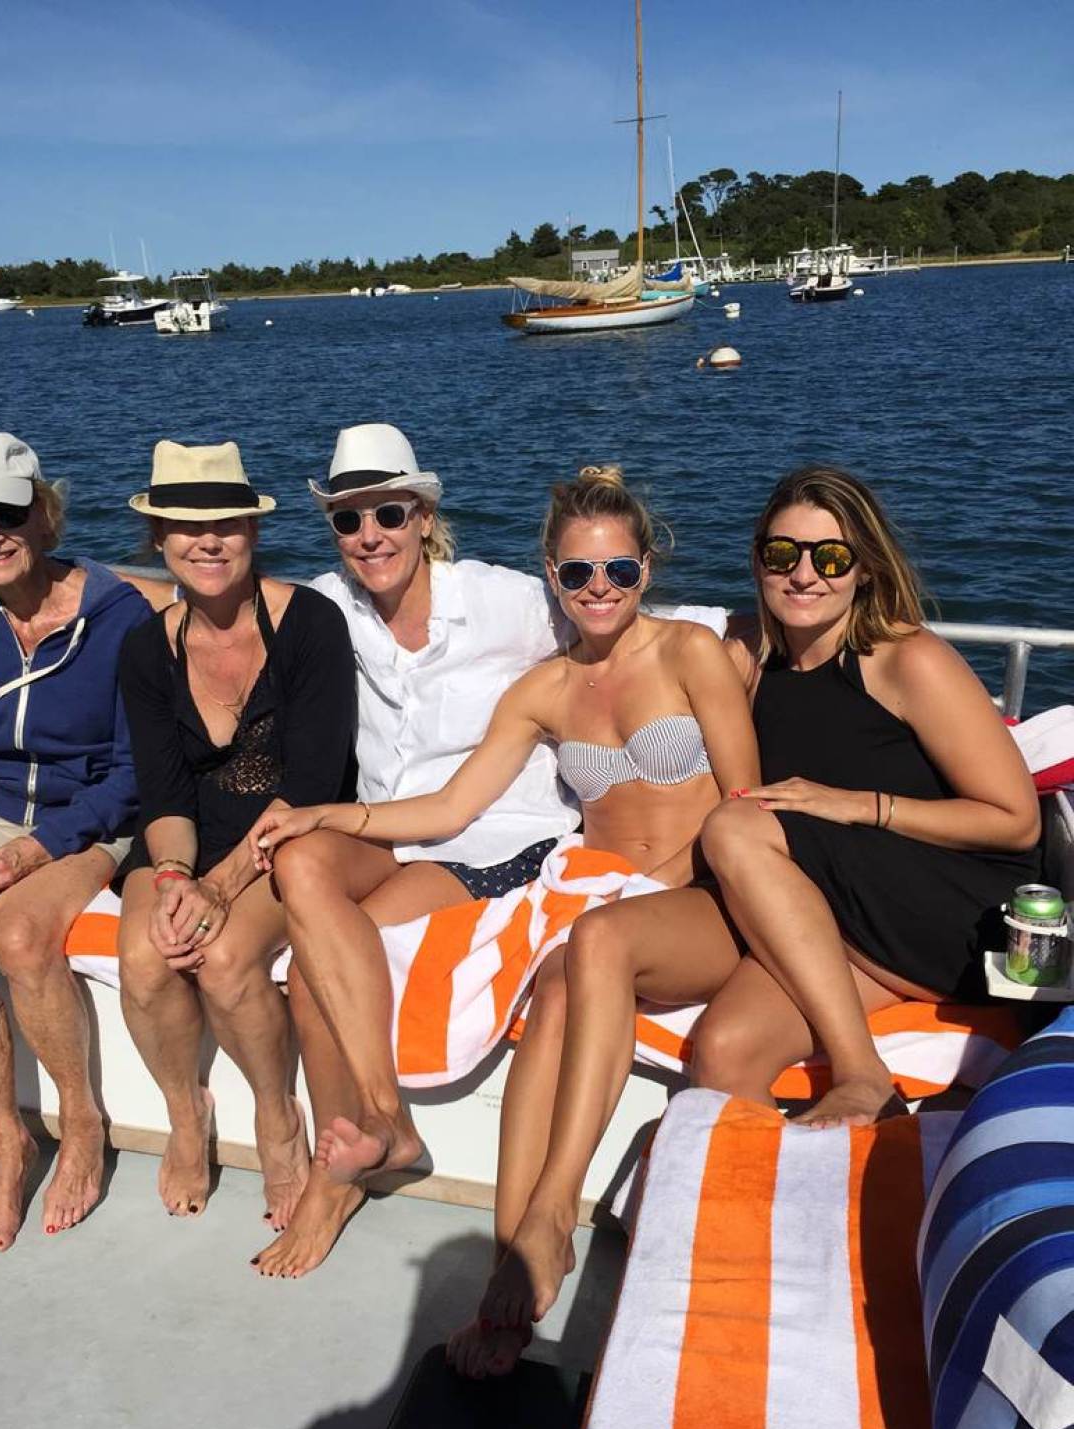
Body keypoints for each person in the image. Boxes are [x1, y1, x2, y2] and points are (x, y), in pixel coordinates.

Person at [472, 463, 1041, 1351]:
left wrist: (856, 804)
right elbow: (652, 662)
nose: (804, 573)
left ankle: (862, 1073)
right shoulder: (749, 655)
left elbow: (1013, 821)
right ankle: (748, 1279)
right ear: (758, 561)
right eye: (782, 553)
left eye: (829, 556)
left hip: (934, 909)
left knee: (737, 827)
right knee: (724, 1048)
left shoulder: (905, 658)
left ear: (865, 565)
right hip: (819, 911)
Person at [247, 461, 759, 1319]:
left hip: (699, 888)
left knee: (585, 956)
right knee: (554, 984)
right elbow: (452, 805)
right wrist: (327, 815)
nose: (600, 588)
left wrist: (668, 880)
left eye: (619, 569)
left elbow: (744, 801)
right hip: (593, 889)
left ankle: (545, 1224)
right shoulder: (544, 689)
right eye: (579, 572)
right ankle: (509, 1261)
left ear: (646, 569)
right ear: (551, 577)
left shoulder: (690, 653)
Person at [231, 422, 583, 1280]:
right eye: (348, 520)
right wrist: (79, 584)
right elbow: (224, 598)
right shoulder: (328, 608)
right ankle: (385, 1122)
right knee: (301, 863)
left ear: (424, 517)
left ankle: (346, 1166)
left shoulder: (505, 603)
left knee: (311, 970)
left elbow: (624, 616)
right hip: (388, 827)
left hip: (491, 836)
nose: (370, 536)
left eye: (388, 513)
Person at [0, 429, 153, 1252]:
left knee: (20, 935)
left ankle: (81, 1123)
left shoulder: (118, 617)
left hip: (87, 817)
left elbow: (132, 773)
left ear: (44, 513)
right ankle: (8, 1139)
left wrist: (37, 849)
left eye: (5, 513)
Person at [115, 440, 356, 1236]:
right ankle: (186, 1116)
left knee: (221, 960)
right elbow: (163, 791)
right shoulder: (146, 648)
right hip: (188, 837)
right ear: (159, 539)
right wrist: (175, 876)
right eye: (186, 527)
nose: (207, 541)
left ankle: (277, 1118)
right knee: (144, 955)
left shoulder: (309, 623)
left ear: (253, 532)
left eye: (225, 524)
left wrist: (219, 887)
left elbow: (313, 781)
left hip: (290, 833)